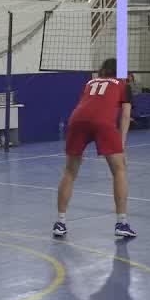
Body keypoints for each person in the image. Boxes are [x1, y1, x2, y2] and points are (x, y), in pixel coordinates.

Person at [54, 58, 135, 239]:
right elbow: (125, 116)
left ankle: (60, 222)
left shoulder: (90, 82)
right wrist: (122, 146)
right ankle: (122, 223)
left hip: (77, 120)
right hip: (102, 122)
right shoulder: (123, 85)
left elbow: (89, 104)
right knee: (119, 170)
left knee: (70, 171)